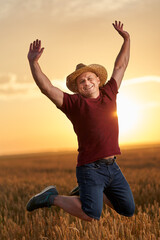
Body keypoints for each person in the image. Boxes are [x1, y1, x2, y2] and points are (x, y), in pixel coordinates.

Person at [26, 21, 135, 221]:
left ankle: (88, 192)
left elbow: (121, 65)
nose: (87, 82)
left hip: (113, 166)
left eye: (89, 78)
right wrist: (34, 63)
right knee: (91, 214)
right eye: (81, 81)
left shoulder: (109, 92)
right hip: (90, 168)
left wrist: (127, 39)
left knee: (127, 210)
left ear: (98, 80)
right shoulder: (73, 103)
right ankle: (51, 197)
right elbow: (47, 88)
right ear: (77, 88)